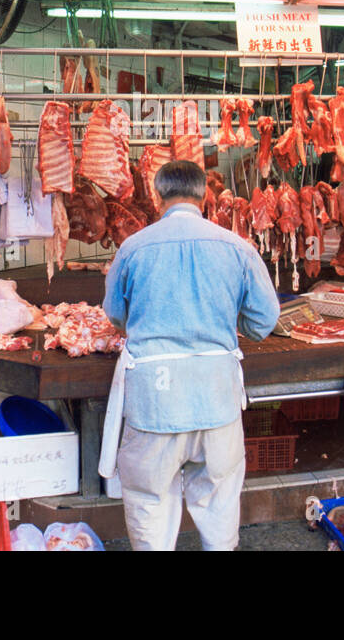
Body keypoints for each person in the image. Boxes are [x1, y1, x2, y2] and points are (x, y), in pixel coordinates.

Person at [100, 160, 280, 551]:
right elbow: (264, 320)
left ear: (158, 195)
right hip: (216, 399)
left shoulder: (133, 248)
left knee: (151, 504)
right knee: (217, 503)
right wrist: (233, 327)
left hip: (155, 401)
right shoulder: (237, 248)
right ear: (204, 195)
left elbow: (115, 315)